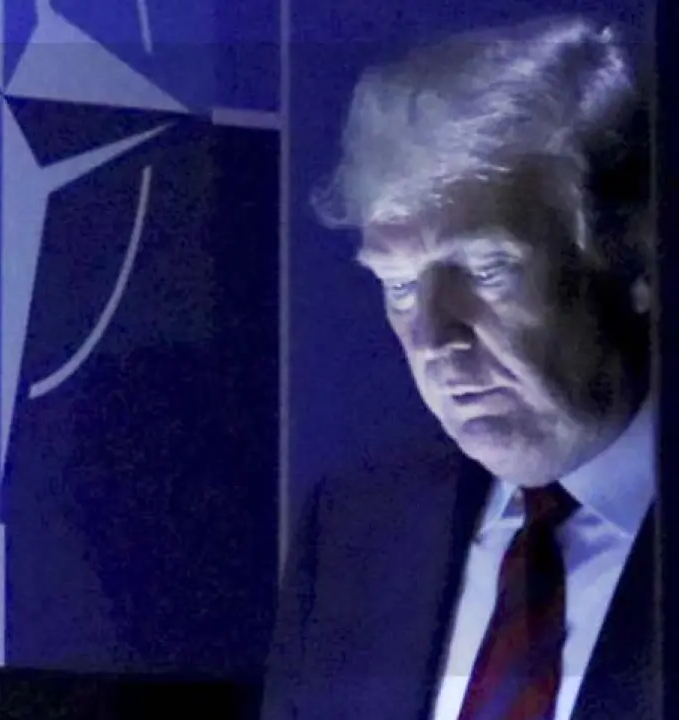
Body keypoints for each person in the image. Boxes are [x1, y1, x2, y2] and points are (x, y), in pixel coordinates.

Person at [262, 15, 657, 720]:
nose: (434, 337)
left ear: (634, 257)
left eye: (486, 269)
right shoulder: (354, 537)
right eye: (399, 286)